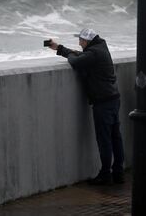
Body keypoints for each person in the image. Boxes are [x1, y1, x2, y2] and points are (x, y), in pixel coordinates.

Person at [49, 28, 124, 185]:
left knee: (105, 139)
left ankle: (105, 174)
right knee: (115, 137)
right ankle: (118, 172)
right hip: (113, 98)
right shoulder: (100, 48)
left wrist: (68, 55)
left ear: (87, 41)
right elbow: (81, 55)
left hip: (103, 101)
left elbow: (76, 61)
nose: (79, 43)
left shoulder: (94, 53)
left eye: (81, 41)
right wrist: (59, 48)